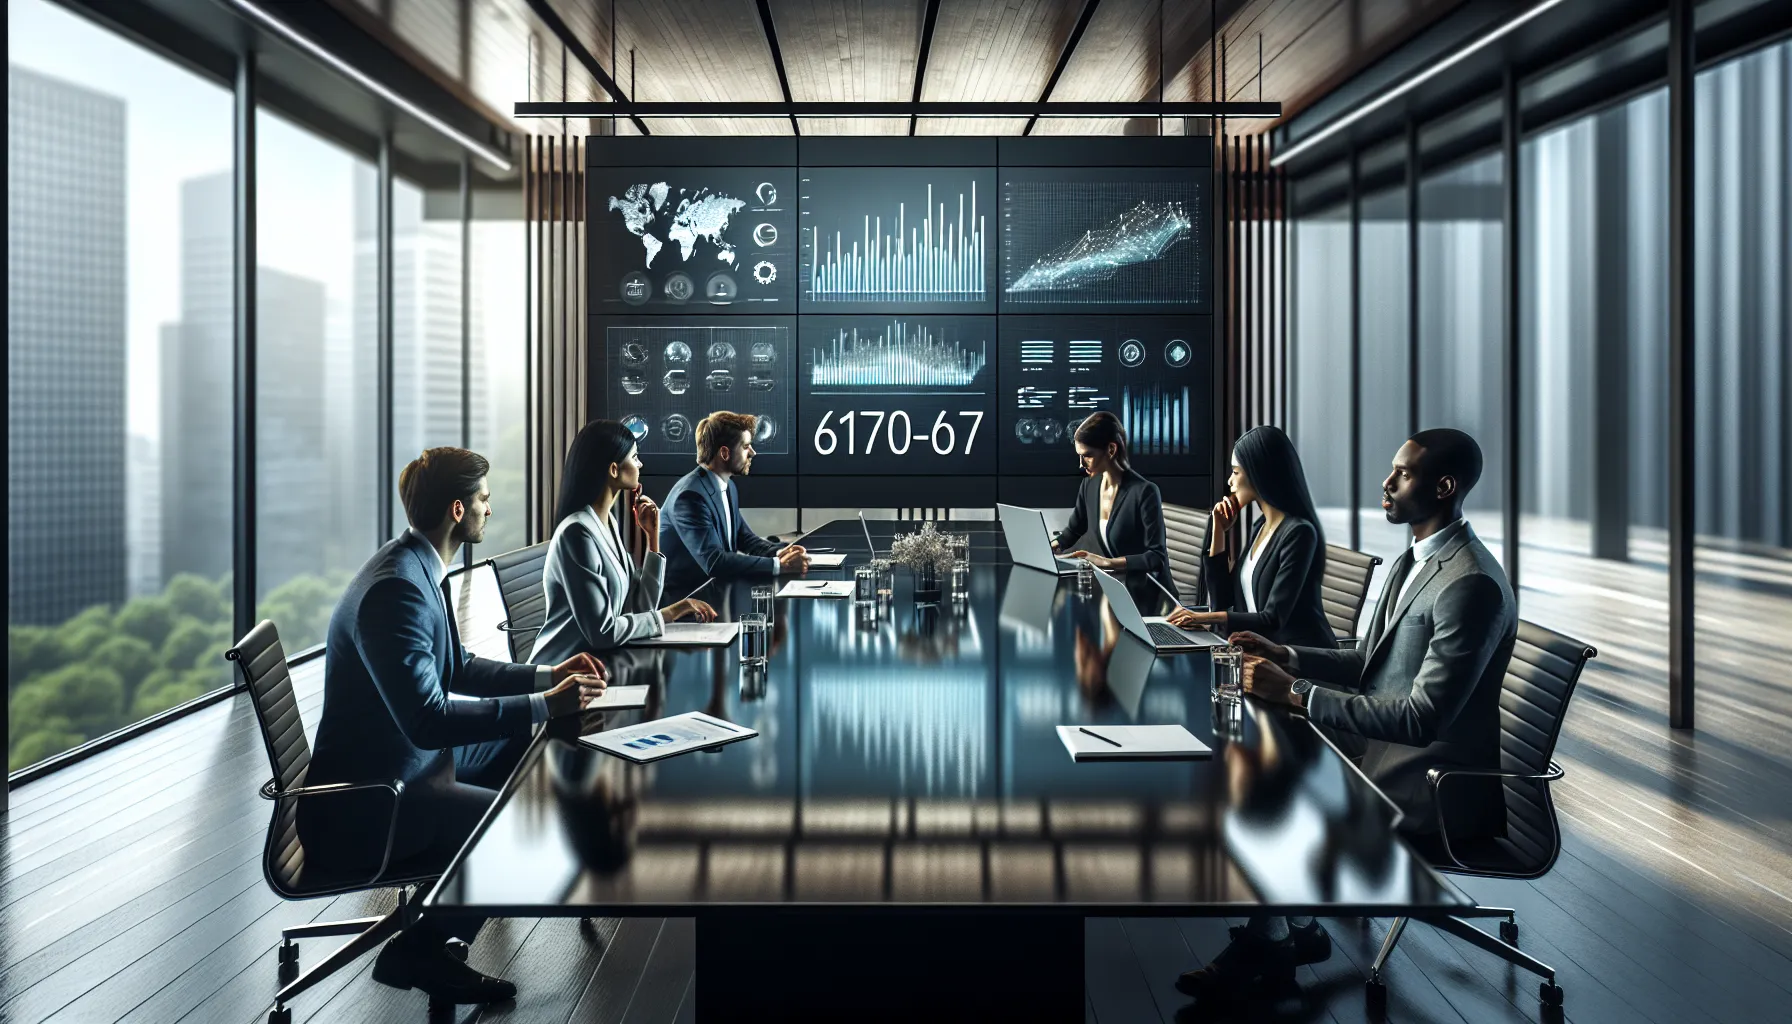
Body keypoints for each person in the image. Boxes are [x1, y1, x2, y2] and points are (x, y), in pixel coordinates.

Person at [1178, 428, 1518, 1002]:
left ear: (1444, 487)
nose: (1386, 483)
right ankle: (1291, 930)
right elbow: (1367, 659)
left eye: (1402, 474)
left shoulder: (1472, 584)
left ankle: (1272, 942)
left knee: (1270, 795)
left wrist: (1296, 692)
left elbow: (1422, 719)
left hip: (1432, 784)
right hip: (1382, 755)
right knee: (1251, 772)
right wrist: (1287, 655)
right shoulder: (1415, 560)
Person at [299, 447, 605, 1006]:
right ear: (458, 510)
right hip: (371, 803)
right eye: (484, 499)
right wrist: (544, 704)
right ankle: (423, 946)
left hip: (408, 767)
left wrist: (548, 676)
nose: (491, 509)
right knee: (518, 827)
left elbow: (457, 666)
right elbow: (427, 720)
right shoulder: (397, 590)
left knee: (522, 740)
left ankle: (471, 881)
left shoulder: (415, 565)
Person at [533, 420, 717, 663]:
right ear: (614, 469)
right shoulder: (577, 533)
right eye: (634, 457)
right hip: (563, 668)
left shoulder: (607, 522)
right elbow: (603, 632)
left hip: (600, 663)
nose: (640, 464)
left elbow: (641, 607)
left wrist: (652, 536)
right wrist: (673, 611)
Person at [1167, 425, 1336, 650]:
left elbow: (1273, 618)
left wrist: (1202, 618)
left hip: (1298, 659)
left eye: (1236, 472)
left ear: (1259, 473)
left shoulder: (1299, 533)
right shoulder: (1260, 527)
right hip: (1260, 653)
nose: (1230, 481)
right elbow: (1223, 602)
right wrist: (1219, 531)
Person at [660, 410, 809, 597]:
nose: (752, 453)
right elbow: (714, 561)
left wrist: (783, 552)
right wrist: (779, 566)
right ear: (724, 453)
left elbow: (745, 539)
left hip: (716, 593)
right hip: (686, 601)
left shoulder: (727, 485)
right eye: (746, 446)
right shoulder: (690, 497)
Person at [1050, 411, 1175, 599]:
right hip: (1117, 589)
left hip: (1150, 595)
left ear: (1110, 450)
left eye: (1087, 455)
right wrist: (1050, 547)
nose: (1081, 464)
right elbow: (1074, 530)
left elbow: (1157, 557)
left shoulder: (1144, 492)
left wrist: (1108, 563)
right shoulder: (1089, 485)